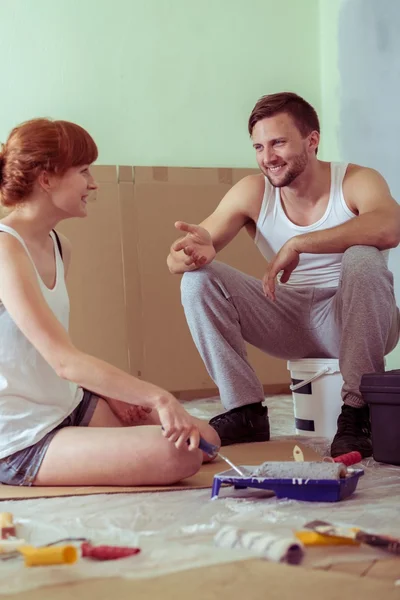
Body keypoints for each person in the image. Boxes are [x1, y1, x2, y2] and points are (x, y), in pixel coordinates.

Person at [167, 92, 400, 458]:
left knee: (362, 258)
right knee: (198, 280)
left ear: (312, 140)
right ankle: (244, 411)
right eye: (259, 146)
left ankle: (358, 412)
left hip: (353, 318)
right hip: (287, 316)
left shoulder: (356, 180)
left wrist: (301, 243)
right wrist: (189, 256)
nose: (267, 157)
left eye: (278, 142)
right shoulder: (252, 192)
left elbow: (390, 227)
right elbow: (178, 258)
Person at [0, 118, 220, 487]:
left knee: (205, 438)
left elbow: (57, 349)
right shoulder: (5, 249)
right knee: (178, 452)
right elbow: (63, 360)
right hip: (21, 435)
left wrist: (107, 392)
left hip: (66, 404)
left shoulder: (59, 245)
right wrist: (159, 398)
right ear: (47, 178)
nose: (93, 183)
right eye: (84, 171)